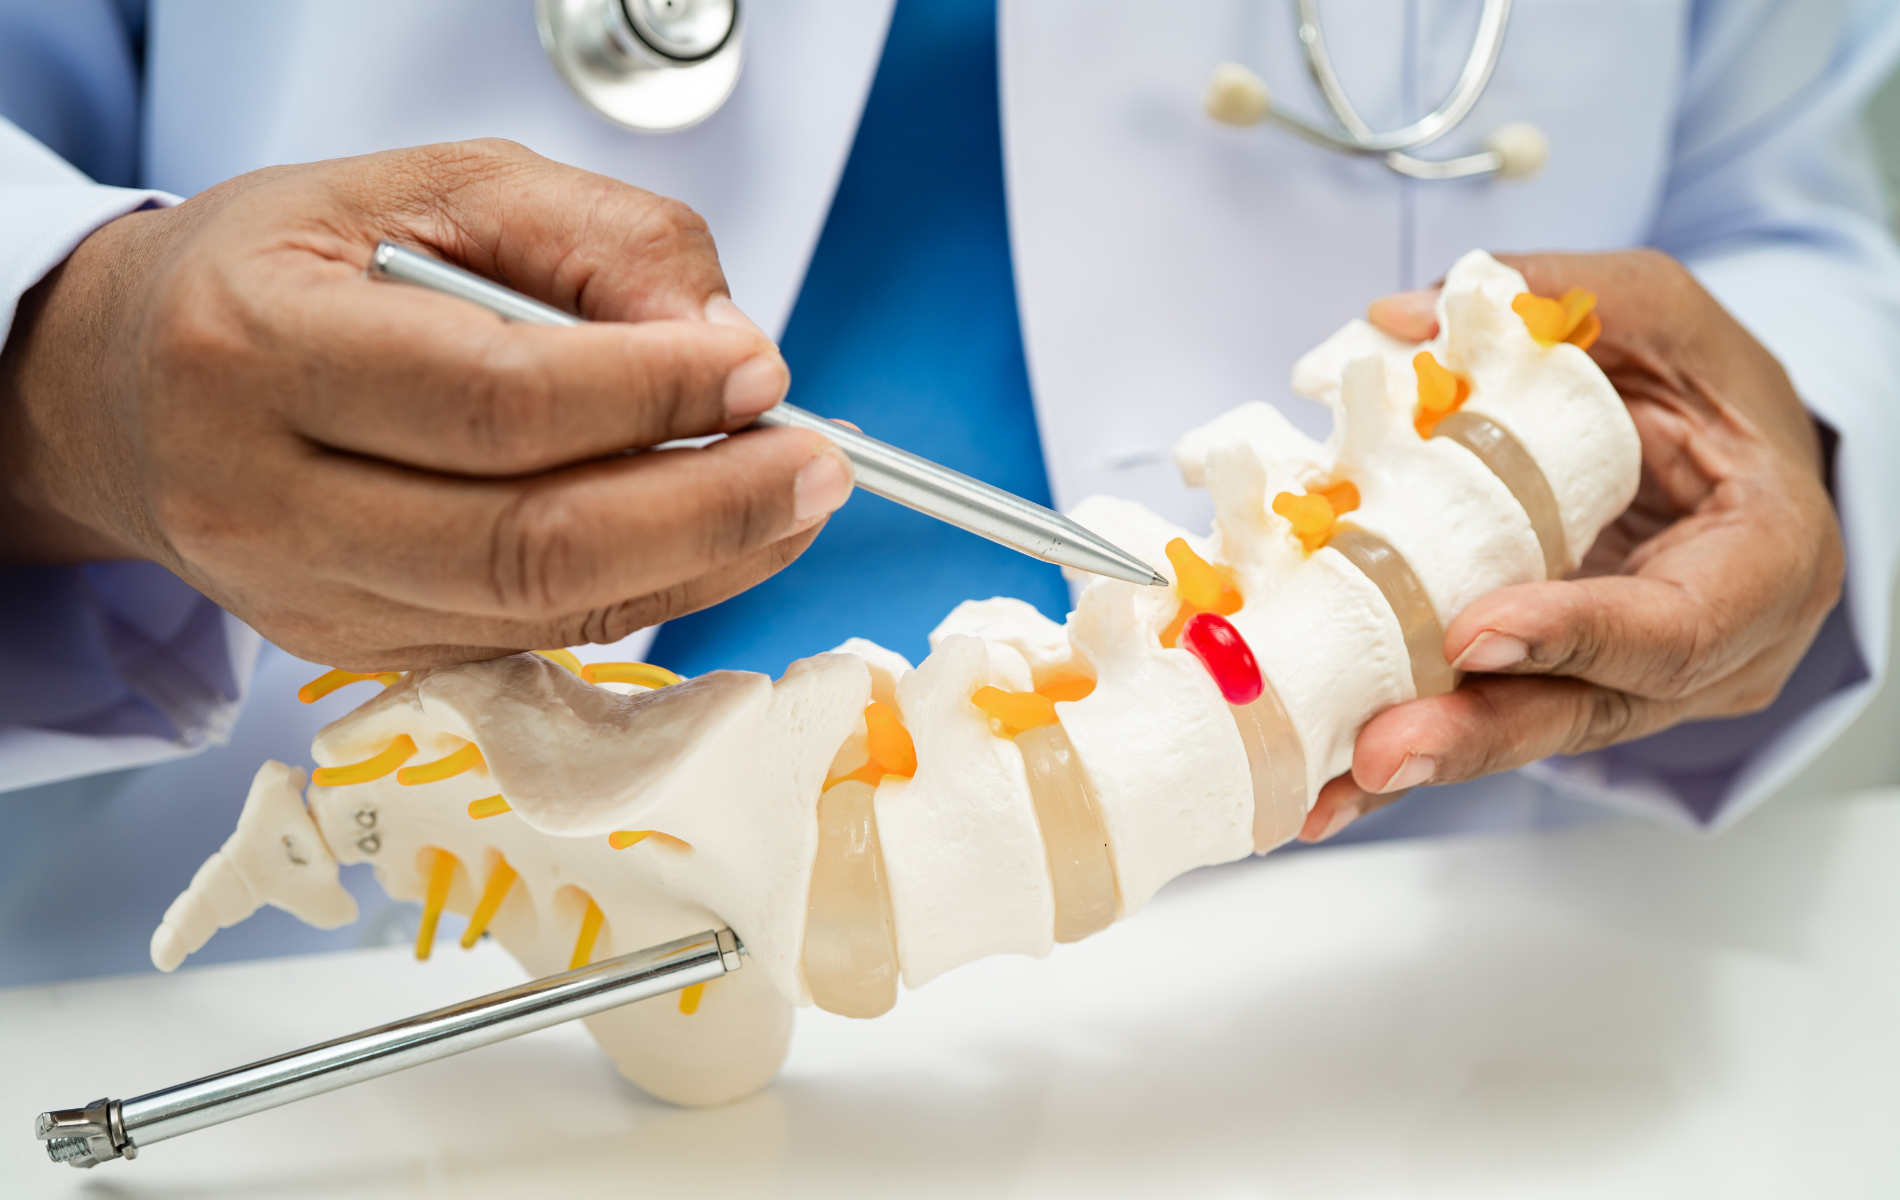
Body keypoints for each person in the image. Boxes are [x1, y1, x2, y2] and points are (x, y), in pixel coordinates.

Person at [2, 0, 1895, 983]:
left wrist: (1790, 426)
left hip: (1381, 1003)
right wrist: (63, 365)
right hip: (330, 1001)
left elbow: (1773, 199)